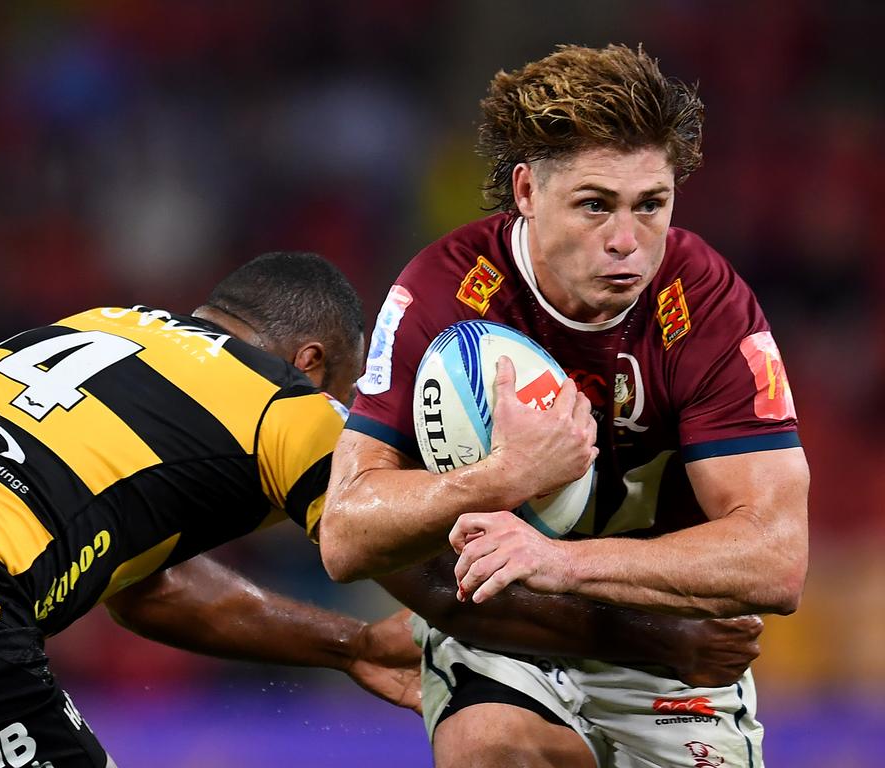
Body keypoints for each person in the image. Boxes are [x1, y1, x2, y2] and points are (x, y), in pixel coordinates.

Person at [320, 44, 808, 767]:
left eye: (652, 206)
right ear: (525, 192)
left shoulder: (706, 302)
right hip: (512, 627)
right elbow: (345, 536)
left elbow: (777, 559)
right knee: (494, 748)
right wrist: (501, 476)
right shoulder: (440, 293)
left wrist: (553, 560)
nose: (626, 243)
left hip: (670, 641)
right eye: (594, 205)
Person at [0, 251, 422, 767]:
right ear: (312, 362)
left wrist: (355, 648)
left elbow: (153, 589)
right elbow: (384, 543)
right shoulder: (287, 400)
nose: (343, 410)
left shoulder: (96, 322)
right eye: (346, 389)